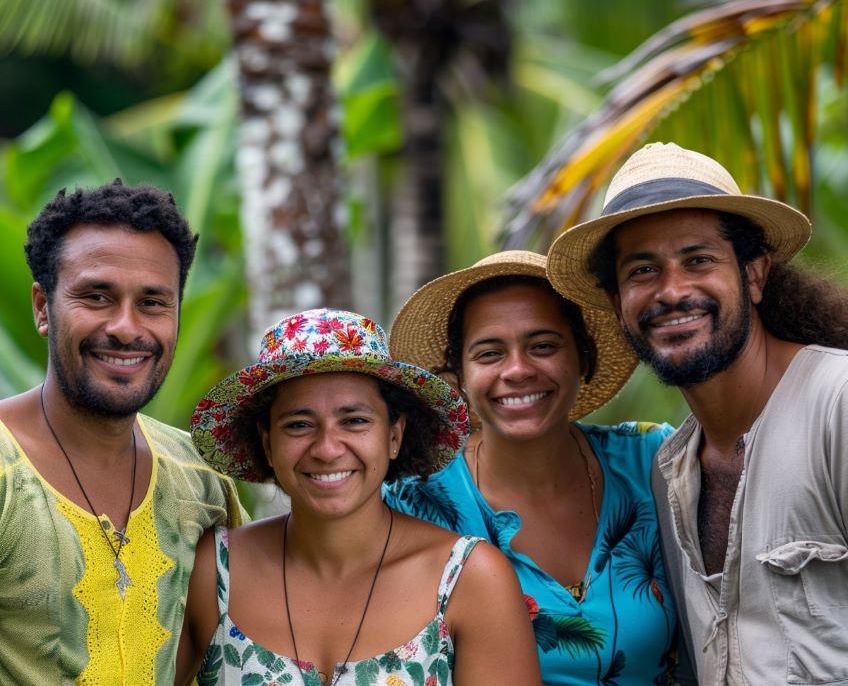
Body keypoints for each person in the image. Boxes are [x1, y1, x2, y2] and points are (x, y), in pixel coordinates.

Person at [546, 141, 848, 684]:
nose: (673, 291)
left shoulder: (836, 406)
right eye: (642, 271)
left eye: (698, 260)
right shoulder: (672, 470)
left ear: (754, 275)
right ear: (618, 304)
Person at [179, 308, 542, 686]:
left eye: (354, 421)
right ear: (268, 444)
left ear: (394, 436)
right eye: (299, 425)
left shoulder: (468, 579)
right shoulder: (219, 570)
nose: (326, 448)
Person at [383, 250, 678, 685]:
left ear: (583, 358)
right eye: (489, 353)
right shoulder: (412, 505)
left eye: (542, 346)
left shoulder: (654, 461)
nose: (518, 370)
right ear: (459, 377)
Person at [0, 180, 243, 685]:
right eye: (97, 296)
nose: (127, 327)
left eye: (153, 302)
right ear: (43, 308)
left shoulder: (201, 480)